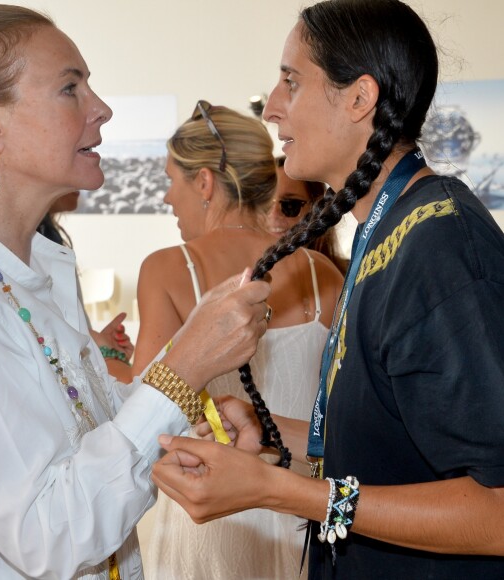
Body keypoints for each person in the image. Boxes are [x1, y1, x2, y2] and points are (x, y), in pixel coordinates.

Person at [151, 1, 504, 579]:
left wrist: (281, 491)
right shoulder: (386, 233)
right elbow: (389, 444)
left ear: (360, 98)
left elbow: (497, 511)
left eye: (291, 80)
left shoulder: (441, 245)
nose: (272, 106)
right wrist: (271, 432)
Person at [0, 6, 271, 579]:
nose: (102, 108)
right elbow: (48, 534)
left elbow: (85, 436)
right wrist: (182, 368)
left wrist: (188, 417)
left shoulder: (38, 269)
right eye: (70, 88)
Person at [134, 103, 343, 579]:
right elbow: (342, 411)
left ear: (205, 182)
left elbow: (148, 406)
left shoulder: (167, 269)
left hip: (209, 517)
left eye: (172, 179)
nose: (168, 197)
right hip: (304, 510)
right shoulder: (322, 274)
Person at [38, 191, 134, 382]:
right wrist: (100, 350)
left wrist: (97, 346)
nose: (79, 187)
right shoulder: (28, 245)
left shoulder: (50, 239)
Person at [268, 156, 348, 274]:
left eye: (290, 205)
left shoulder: (352, 278)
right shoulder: (240, 279)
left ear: (317, 209)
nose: (273, 214)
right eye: (265, 205)